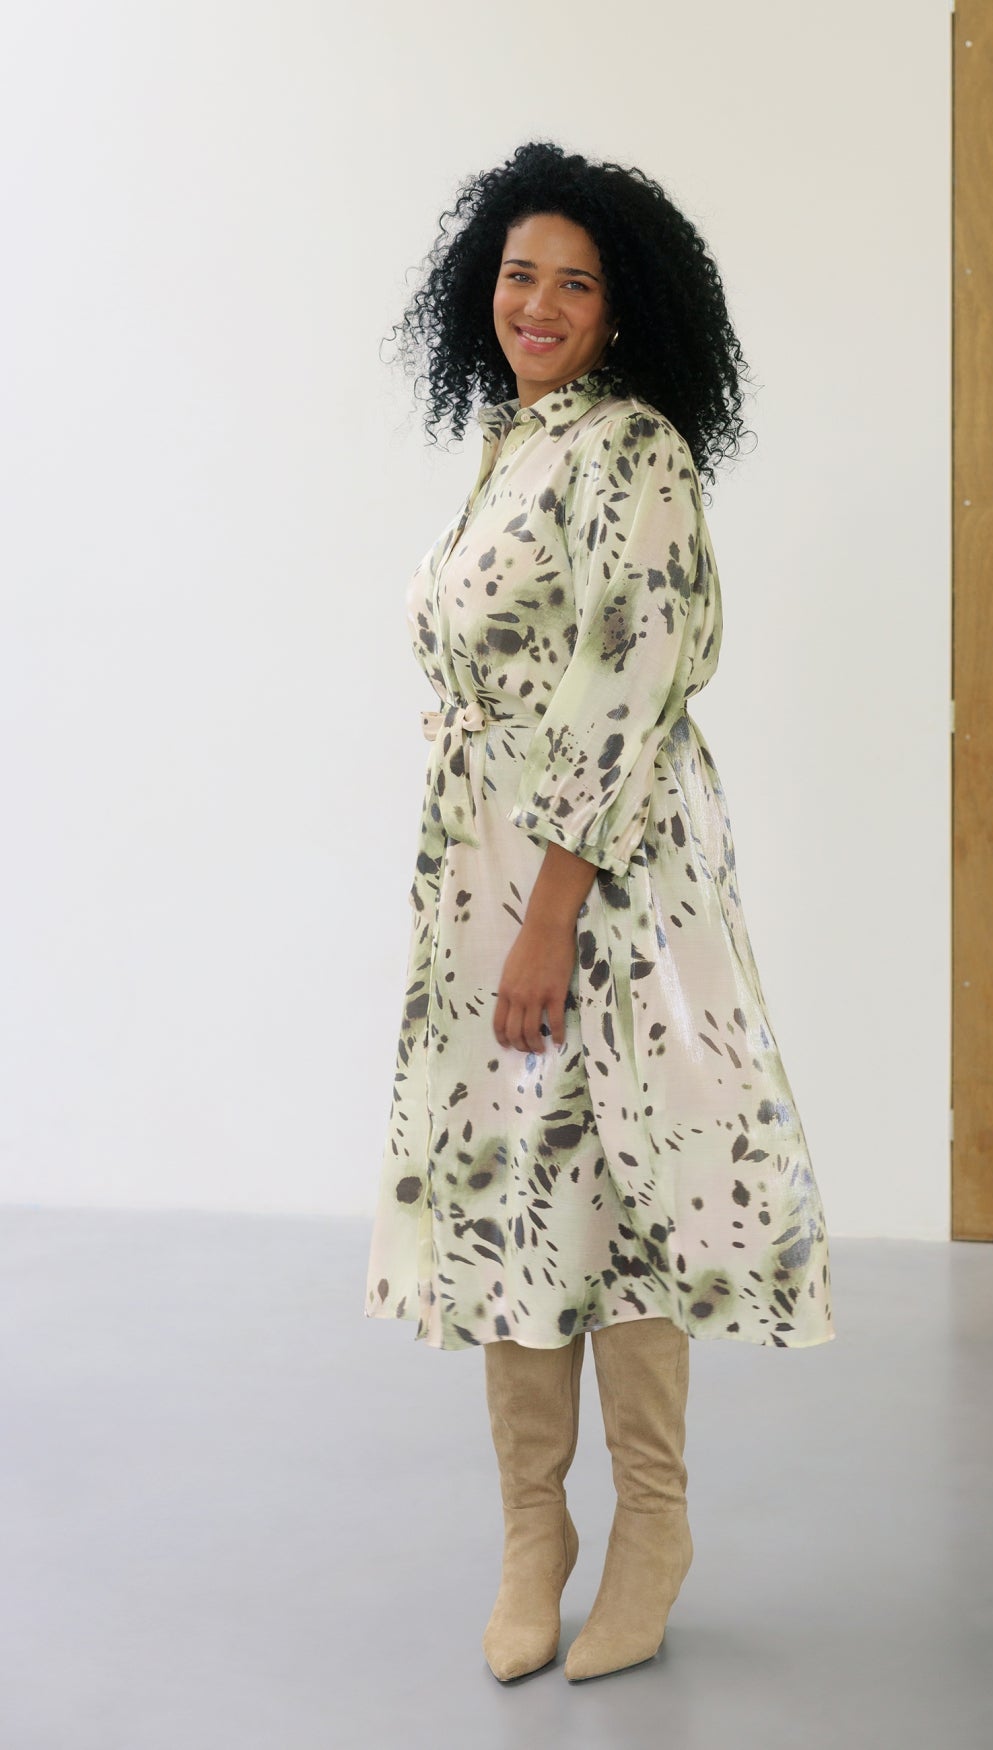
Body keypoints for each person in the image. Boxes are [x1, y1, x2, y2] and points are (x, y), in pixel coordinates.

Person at [364, 139, 836, 1685]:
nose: (540, 304)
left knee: (623, 1186)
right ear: (481, 289)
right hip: (491, 875)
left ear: (622, 310)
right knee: (519, 1181)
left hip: (603, 885)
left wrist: (549, 909)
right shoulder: (516, 446)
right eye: (519, 276)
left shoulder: (634, 451)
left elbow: (628, 682)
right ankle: (532, 1532)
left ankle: (652, 1523)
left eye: (574, 283)